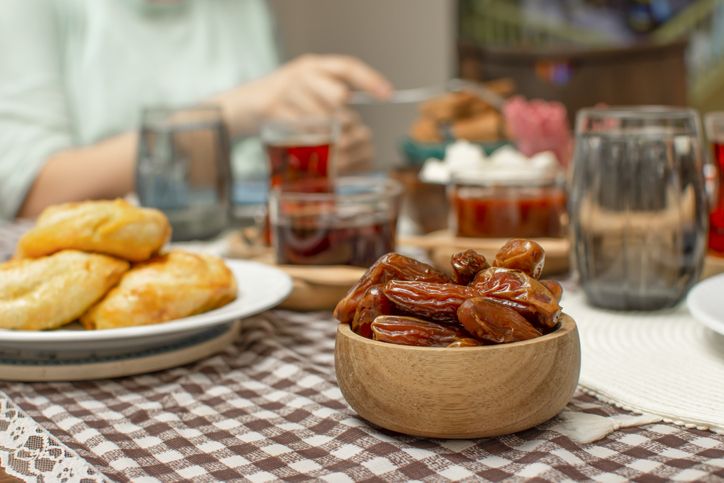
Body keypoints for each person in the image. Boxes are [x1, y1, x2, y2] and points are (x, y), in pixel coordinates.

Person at [0, 0, 392, 220]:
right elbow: (32, 193)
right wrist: (240, 108)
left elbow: (242, 171)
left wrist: (311, 160)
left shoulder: (245, 10)